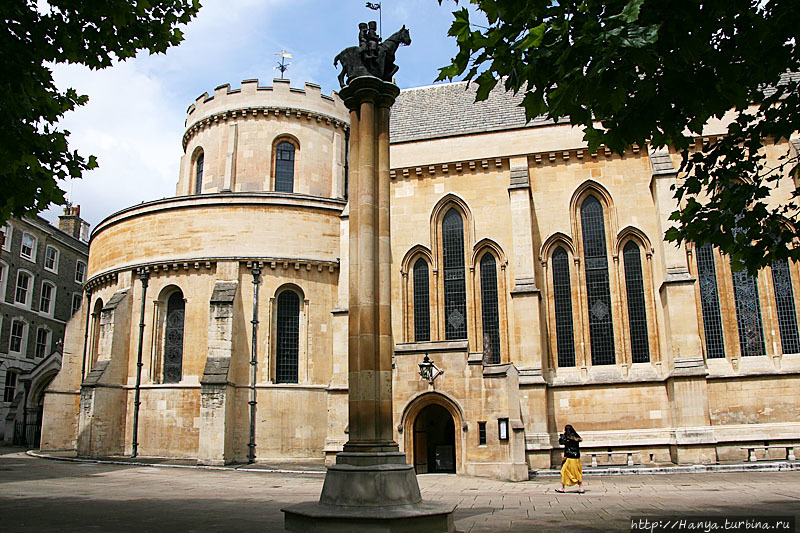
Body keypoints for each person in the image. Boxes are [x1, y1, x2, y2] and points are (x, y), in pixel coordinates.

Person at [556, 424, 584, 493]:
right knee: (577, 473)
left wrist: (562, 434)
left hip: (569, 457)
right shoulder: (575, 437)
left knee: (564, 471)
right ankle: (580, 488)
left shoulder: (567, 439)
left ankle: (562, 488)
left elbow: (561, 442)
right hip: (576, 458)